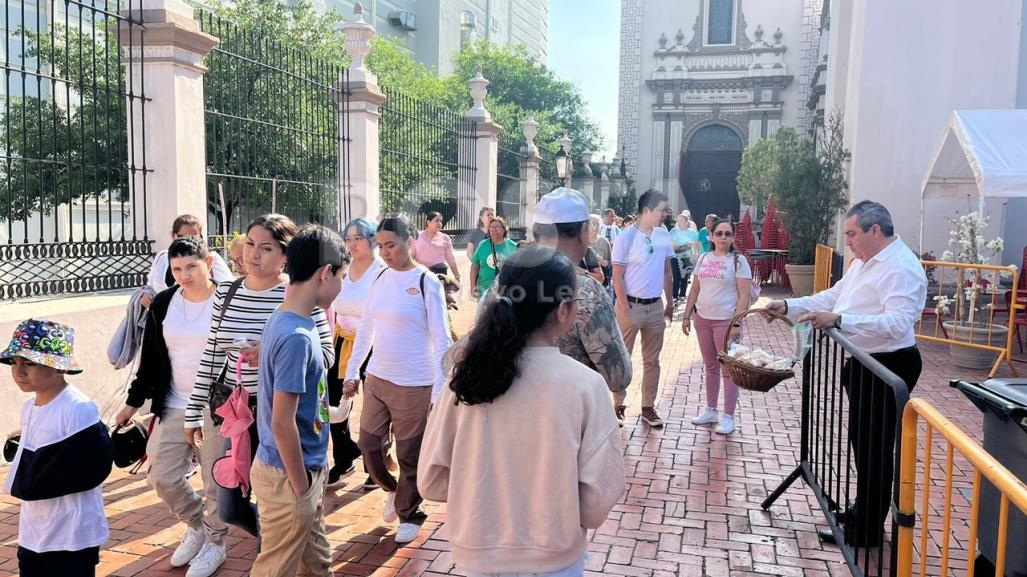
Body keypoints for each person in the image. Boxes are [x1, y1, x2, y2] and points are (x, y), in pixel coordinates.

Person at [419, 245, 626, 576]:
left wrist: (479, 498)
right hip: (555, 557)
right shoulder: (585, 386)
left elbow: (430, 479)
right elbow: (599, 495)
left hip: (477, 555)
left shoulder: (466, 376)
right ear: (563, 309)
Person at [764, 200, 926, 547]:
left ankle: (867, 530)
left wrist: (842, 321)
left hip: (889, 366)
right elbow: (834, 296)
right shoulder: (864, 263)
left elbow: (898, 323)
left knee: (875, 451)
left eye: (852, 234)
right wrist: (791, 305)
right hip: (865, 364)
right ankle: (862, 511)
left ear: (875, 230)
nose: (847, 241)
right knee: (862, 446)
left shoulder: (900, 267)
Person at [185, 214, 334, 541]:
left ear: (285, 256)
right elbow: (211, 352)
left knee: (273, 497)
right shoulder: (226, 291)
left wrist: (269, 349)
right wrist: (194, 410)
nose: (253, 254)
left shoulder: (297, 294)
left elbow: (326, 355)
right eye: (250, 244)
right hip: (229, 408)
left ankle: (275, 555)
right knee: (228, 505)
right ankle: (277, 547)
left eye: (266, 248)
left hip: (273, 411)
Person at [115, 237, 227, 577]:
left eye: (191, 266)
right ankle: (197, 525)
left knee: (214, 480)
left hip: (216, 405)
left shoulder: (227, 299)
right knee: (161, 475)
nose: (184, 275)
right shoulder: (164, 302)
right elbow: (149, 359)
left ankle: (216, 543)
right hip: (174, 402)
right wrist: (132, 404)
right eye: (176, 269)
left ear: (208, 264)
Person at [342, 215, 452, 545]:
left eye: (391, 245)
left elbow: (442, 338)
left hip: (415, 383)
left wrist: (438, 389)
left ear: (409, 242)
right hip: (378, 377)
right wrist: (352, 371)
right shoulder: (379, 279)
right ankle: (392, 489)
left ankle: (410, 512)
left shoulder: (426, 282)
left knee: (410, 454)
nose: (386, 252)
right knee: (369, 446)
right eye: (381, 246)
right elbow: (366, 329)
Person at [249, 225, 347, 577]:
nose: (342, 286)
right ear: (325, 274)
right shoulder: (297, 338)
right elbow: (281, 420)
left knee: (317, 561)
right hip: (290, 474)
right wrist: (301, 488)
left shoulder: (284, 318)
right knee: (277, 568)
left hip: (301, 468)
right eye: (342, 277)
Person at [481, 189, 632, 412]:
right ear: (583, 232)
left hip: (505, 417)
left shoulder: (503, 280)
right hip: (563, 419)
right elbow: (619, 377)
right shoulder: (586, 291)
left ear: (535, 232)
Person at [2, 319, 114, 577]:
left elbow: (92, 467)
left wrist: (32, 479)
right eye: (14, 362)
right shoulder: (29, 408)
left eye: (29, 363)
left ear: (58, 369)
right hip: (34, 532)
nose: (19, 371)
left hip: (72, 534)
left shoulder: (78, 408)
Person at [327, 218, 392, 490]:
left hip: (375, 344)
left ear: (372, 240)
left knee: (375, 407)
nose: (351, 244)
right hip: (342, 341)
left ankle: (374, 464)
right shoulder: (342, 269)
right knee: (333, 399)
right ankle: (344, 457)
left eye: (358, 238)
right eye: (348, 238)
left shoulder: (382, 272)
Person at [680, 219, 752, 436]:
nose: (723, 237)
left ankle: (728, 416)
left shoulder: (739, 262)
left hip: (725, 321)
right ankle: (711, 410)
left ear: (732, 237)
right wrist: (686, 316)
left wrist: (737, 323)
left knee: (728, 369)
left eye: (727, 234)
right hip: (702, 319)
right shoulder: (704, 257)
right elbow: (694, 290)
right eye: (719, 233)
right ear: (711, 236)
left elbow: (744, 296)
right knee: (710, 366)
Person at [611, 190, 674, 428]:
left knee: (652, 360)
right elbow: (617, 276)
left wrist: (669, 302)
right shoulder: (626, 237)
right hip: (631, 306)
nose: (665, 215)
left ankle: (648, 407)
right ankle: (618, 404)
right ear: (647, 210)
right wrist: (625, 307)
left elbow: (668, 273)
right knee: (622, 358)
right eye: (661, 210)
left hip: (655, 307)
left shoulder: (663, 236)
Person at [143, 214, 233, 308]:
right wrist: (147, 294)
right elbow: (151, 284)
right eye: (183, 237)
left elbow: (229, 289)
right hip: (162, 317)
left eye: (194, 237)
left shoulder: (210, 259)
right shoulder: (162, 258)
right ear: (173, 236)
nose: (188, 241)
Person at [470, 216, 517, 298]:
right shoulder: (482, 245)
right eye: (491, 227)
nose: (493, 229)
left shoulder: (513, 246)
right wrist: (473, 286)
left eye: (497, 227)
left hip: (506, 292)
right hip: (484, 291)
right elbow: (474, 266)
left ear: (504, 229)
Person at [414, 211, 461, 281]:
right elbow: (411, 255)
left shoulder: (445, 238)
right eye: (436, 220)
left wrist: (457, 276)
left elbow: (451, 259)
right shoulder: (417, 237)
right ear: (428, 222)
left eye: (440, 221)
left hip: (439, 275)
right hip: (420, 275)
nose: (439, 223)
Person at [671, 213, 700, 304]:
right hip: (675, 256)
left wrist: (694, 250)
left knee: (685, 276)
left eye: (681, 220)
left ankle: (682, 295)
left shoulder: (692, 232)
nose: (679, 222)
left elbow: (696, 243)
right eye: (678, 220)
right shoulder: (673, 231)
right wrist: (673, 245)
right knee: (676, 276)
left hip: (687, 256)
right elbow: (669, 243)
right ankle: (674, 296)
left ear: (687, 222)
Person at [589, 214, 614, 290]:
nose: (595, 227)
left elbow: (611, 263)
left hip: (601, 284)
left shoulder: (604, 241)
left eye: (597, 224)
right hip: (587, 282)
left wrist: (602, 262)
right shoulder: (581, 242)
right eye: (593, 223)